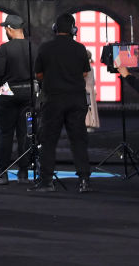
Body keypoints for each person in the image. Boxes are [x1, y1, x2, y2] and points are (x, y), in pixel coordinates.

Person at [30, 14, 91, 194]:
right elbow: (85, 74)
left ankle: (47, 181)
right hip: (76, 100)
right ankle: (84, 180)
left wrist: (53, 77)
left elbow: (38, 75)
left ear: (55, 28)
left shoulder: (45, 48)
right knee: (78, 140)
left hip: (53, 100)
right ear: (73, 29)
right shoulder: (80, 49)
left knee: (48, 141)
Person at [0, 14, 32, 184]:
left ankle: (3, 173)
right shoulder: (34, 47)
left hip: (8, 94)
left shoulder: (5, 48)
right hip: (29, 94)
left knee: (6, 134)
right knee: (25, 134)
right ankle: (23, 171)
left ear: (9, 29)